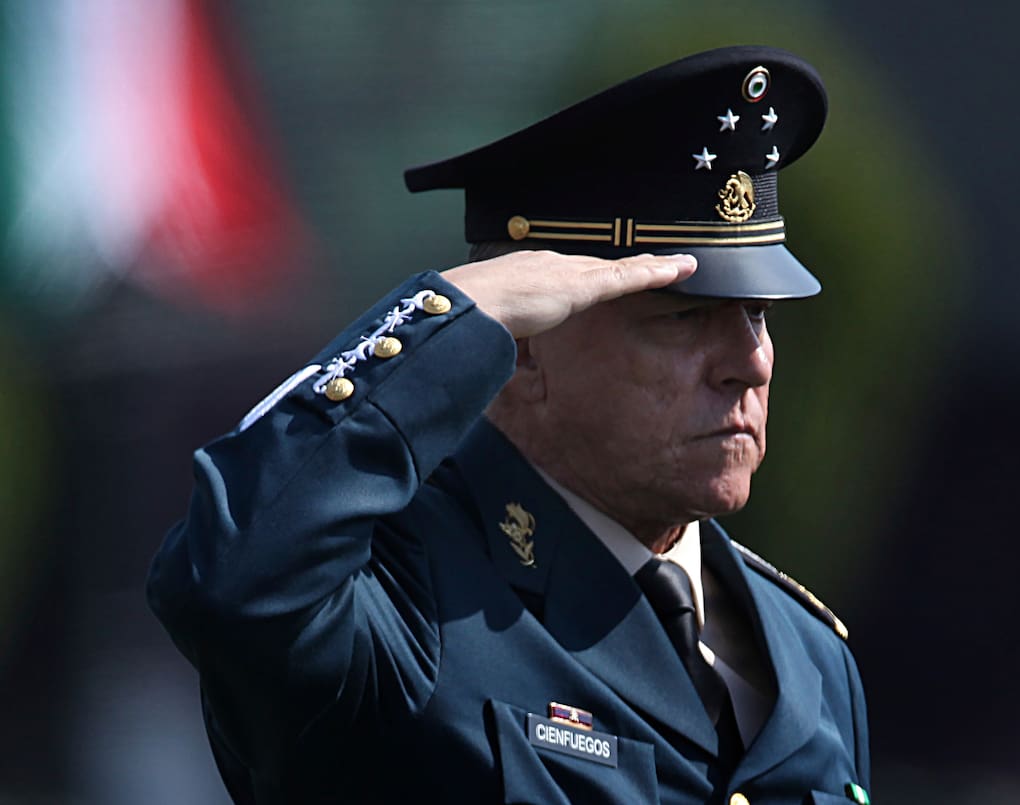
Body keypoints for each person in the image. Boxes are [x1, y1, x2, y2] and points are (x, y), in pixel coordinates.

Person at [148, 45, 871, 805]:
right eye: (685, 316)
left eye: (758, 313)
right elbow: (231, 573)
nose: (749, 362)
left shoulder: (810, 655)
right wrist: (451, 319)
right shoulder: (401, 594)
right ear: (522, 347)